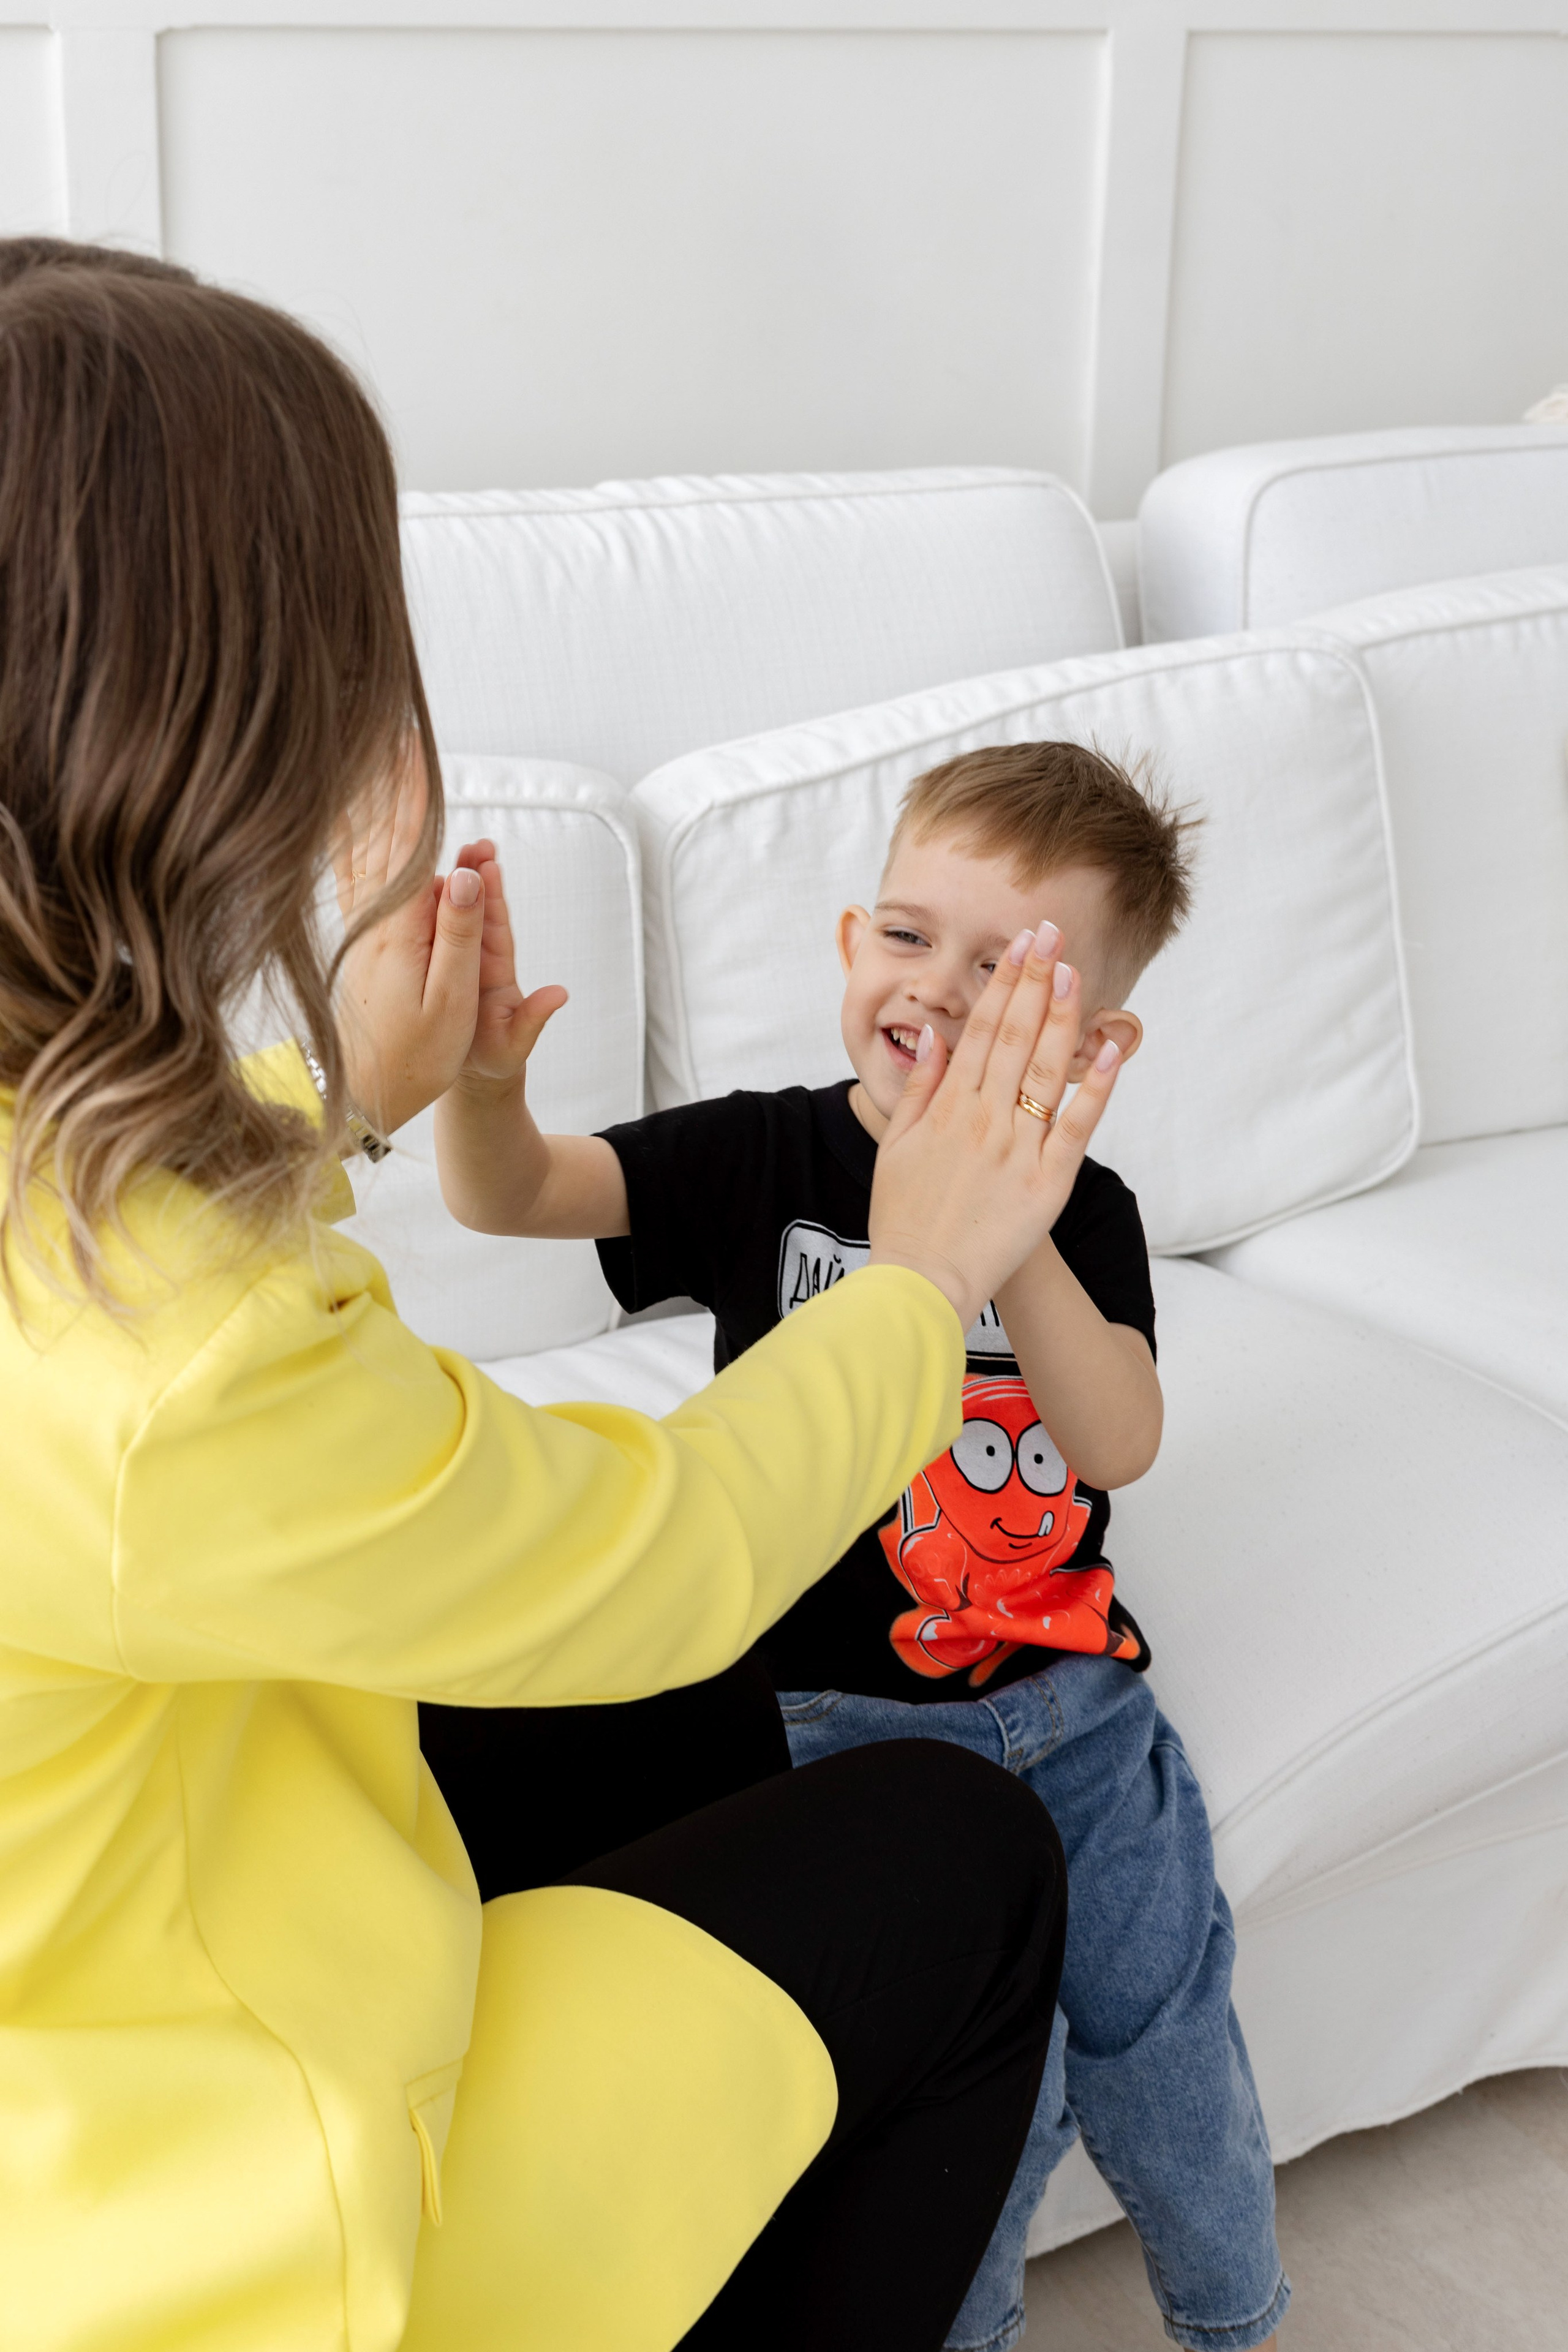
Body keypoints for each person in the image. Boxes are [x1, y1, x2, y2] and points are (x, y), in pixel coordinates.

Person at [0, 251, 1125, 2352]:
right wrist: (927, 1274)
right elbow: (652, 1543)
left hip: (137, 1914)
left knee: (689, 1719)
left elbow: (137, 1201)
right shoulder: (180, 1362)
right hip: (204, 2232)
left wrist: (345, 1104)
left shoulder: (93, 1186)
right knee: (965, 1864)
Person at [435, 744, 1291, 2352]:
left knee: (1166, 2039)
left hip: (1081, 1724)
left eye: (1004, 971)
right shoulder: (766, 1157)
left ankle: (1238, 2321)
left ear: (1091, 1042)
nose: (940, 992)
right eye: (910, 939)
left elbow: (1117, 1443)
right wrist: (487, 1093)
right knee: (984, 2106)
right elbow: (519, 1195)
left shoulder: (1083, 1213)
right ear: (849, 946)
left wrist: (1004, 1220)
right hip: (835, 1726)